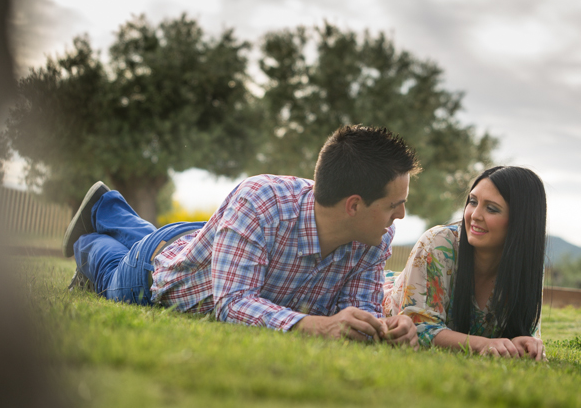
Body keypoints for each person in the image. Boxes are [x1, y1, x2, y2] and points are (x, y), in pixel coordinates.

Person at [64, 125, 420, 345]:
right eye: (393, 206)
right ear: (354, 205)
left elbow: (355, 312)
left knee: (153, 238)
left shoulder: (375, 236)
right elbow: (231, 303)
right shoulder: (261, 201)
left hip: (211, 243)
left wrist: (385, 328)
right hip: (154, 272)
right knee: (109, 270)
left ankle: (106, 205)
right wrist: (315, 325)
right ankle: (87, 238)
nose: (400, 215)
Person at [382, 166, 547, 359]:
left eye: (492, 209)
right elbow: (418, 329)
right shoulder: (438, 243)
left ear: (521, 221)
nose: (475, 215)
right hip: (380, 294)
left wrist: (522, 340)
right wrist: (482, 344)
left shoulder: (524, 265)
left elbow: (521, 329)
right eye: (473, 202)